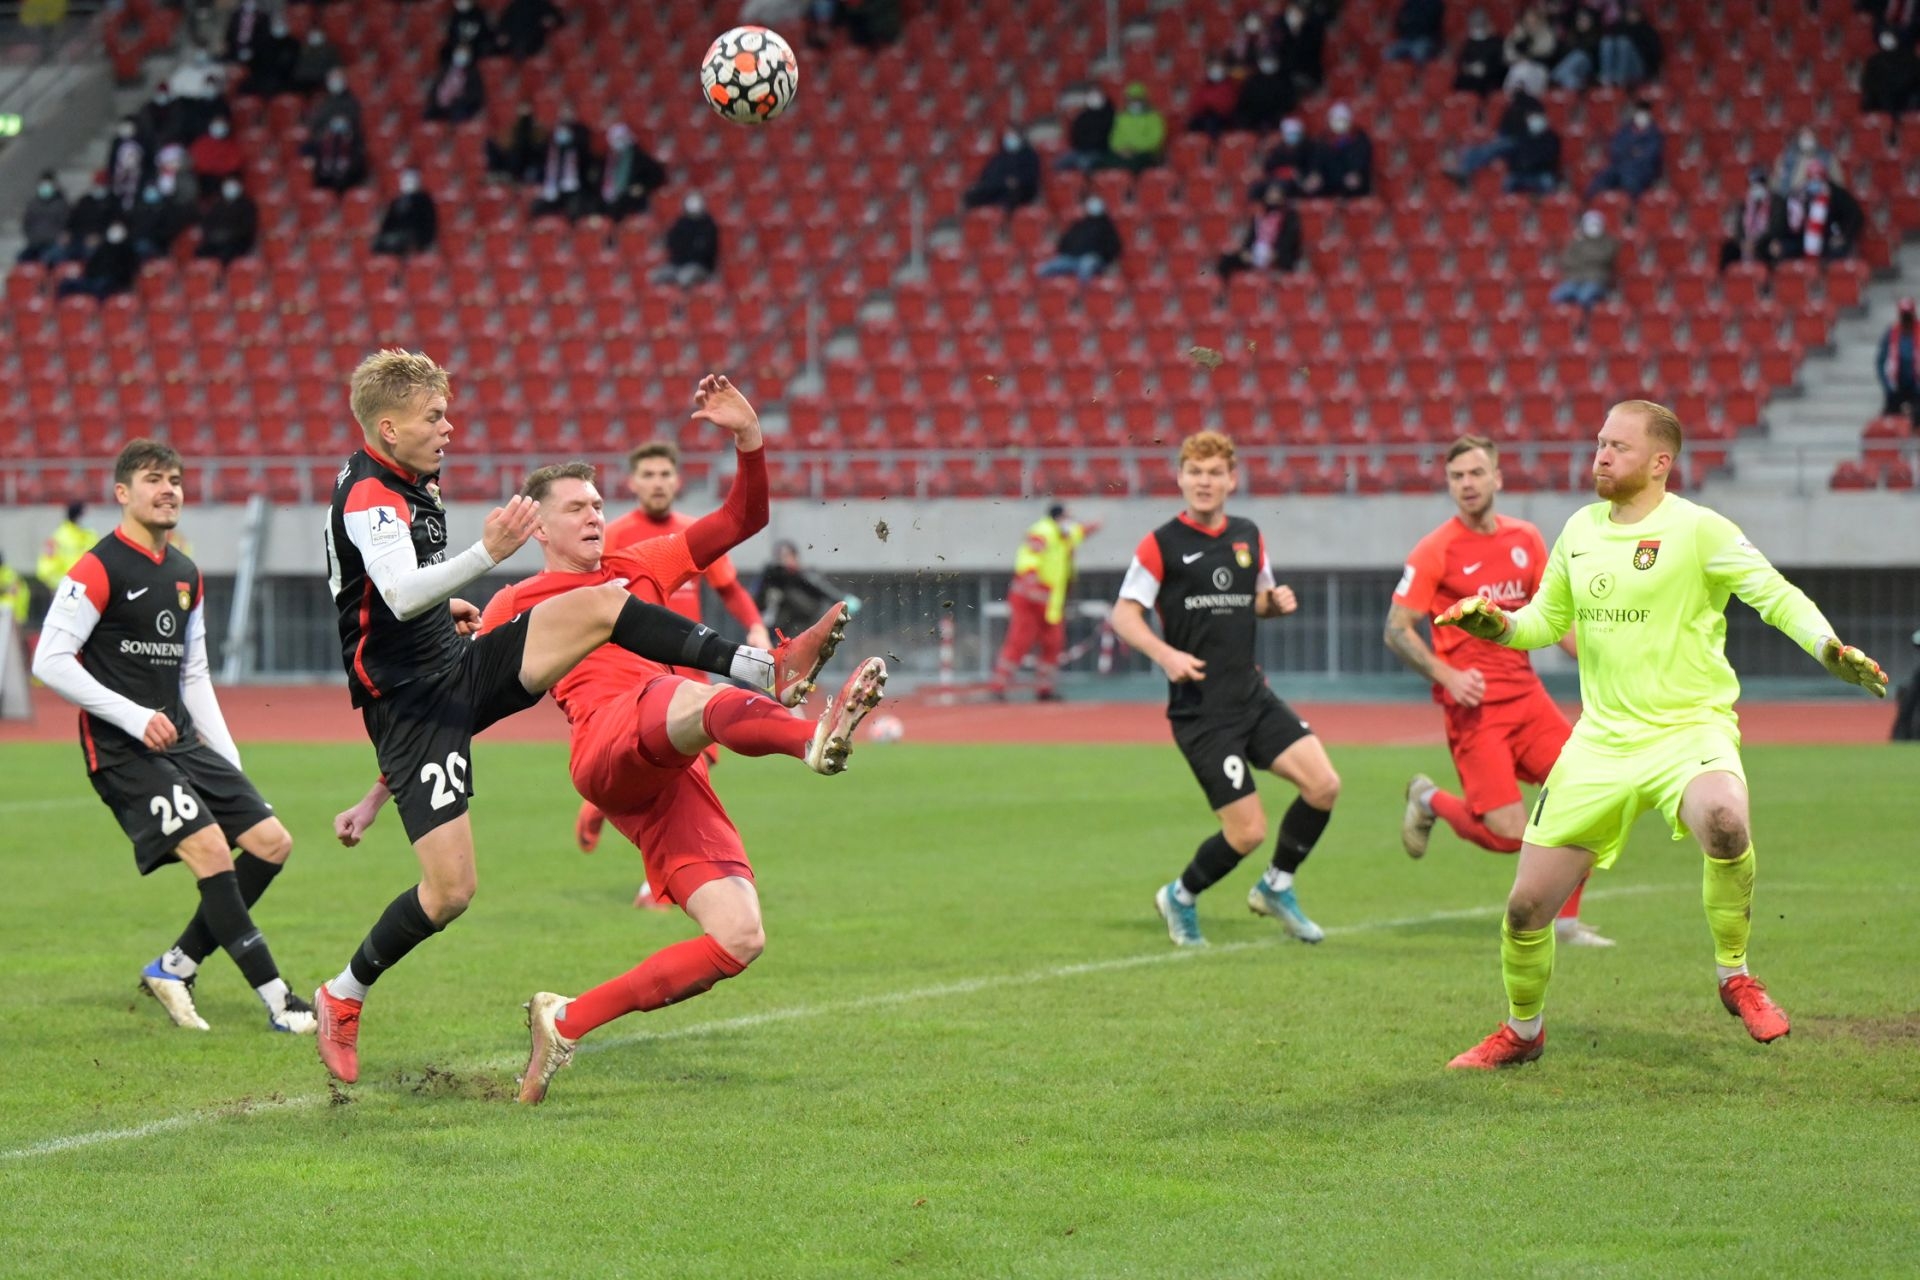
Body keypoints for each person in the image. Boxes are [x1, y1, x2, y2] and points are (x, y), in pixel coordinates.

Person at [308, 351, 834, 1085]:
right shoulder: (381, 499)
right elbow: (394, 594)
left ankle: (766, 674)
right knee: (451, 892)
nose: (449, 428)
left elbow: (741, 518)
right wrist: (483, 556)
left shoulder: (427, 484)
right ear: (389, 428)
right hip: (417, 705)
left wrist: (748, 438)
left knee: (604, 605)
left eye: (598, 506)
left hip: (480, 678)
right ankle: (343, 993)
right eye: (435, 417)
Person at [1437, 400, 1889, 1069]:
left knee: (1725, 820)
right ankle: (1523, 1033)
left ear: (1659, 462)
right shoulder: (1580, 529)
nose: (1600, 455)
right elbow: (1544, 621)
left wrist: (1827, 647)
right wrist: (1499, 626)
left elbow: (1776, 595)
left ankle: (1734, 974)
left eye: (1617, 446)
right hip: (1600, 743)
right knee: (1526, 909)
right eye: (1599, 442)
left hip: (1688, 730)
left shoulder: (1700, 529)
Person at [30, 440, 314, 1035]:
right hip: (122, 749)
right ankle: (280, 1001)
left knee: (271, 843)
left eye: (176, 480)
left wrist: (228, 756)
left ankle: (174, 967)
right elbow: (50, 661)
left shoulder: (186, 574)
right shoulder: (98, 567)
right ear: (122, 493)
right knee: (211, 851)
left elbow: (193, 674)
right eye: (154, 479)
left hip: (181, 740)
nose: (168, 490)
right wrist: (133, 717)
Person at [1112, 431, 1341, 949]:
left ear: (1232, 479)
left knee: (1324, 785)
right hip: (1202, 712)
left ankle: (1276, 886)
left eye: (1214, 473)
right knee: (1247, 832)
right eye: (1195, 472)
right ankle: (1180, 896)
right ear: (1180, 478)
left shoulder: (1248, 535)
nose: (1204, 481)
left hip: (1252, 697)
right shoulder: (1161, 544)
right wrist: (1166, 655)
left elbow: (1255, 599)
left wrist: (1273, 604)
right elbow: (1124, 616)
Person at [1385, 436, 1610, 947]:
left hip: (1528, 699)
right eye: (1457, 476)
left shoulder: (1525, 538)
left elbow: (1555, 618)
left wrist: (1604, 661)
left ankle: (1566, 923)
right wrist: (1447, 676)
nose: (1467, 484)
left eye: (1476, 473)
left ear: (1497, 478)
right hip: (1475, 708)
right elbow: (1396, 630)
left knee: (1590, 796)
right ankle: (1428, 799)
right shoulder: (1436, 549)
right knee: (1508, 833)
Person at [583, 438, 776, 896]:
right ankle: (673, 879)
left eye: (664, 474)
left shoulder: (692, 534)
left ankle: (606, 807)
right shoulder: (614, 537)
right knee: (682, 773)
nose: (657, 482)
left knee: (683, 769)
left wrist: (755, 626)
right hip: (636, 674)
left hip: (690, 669)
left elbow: (729, 589)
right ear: (632, 483)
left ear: (677, 481)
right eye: (648, 475)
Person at [989, 502, 1099, 701]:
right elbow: (1028, 559)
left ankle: (1044, 689)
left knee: (1053, 644)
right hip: (1030, 599)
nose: (1071, 522)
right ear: (1057, 517)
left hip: (1051, 603)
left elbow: (1079, 532)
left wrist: (1093, 526)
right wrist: (1032, 584)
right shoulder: (1042, 532)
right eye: (1067, 518)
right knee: (1019, 641)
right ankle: (999, 686)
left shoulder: (1065, 535)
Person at [757, 539, 857, 641]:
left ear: (795, 557)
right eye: (780, 558)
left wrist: (842, 599)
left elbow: (823, 590)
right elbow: (758, 604)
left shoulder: (805, 576)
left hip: (806, 631)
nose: (784, 562)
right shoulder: (773, 580)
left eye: (787, 556)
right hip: (780, 635)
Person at [1215, 181, 1302, 292]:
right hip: (1255, 254)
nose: (1273, 196)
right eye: (1271, 193)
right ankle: (1224, 291)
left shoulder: (1289, 216)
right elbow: (1251, 236)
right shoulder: (1259, 215)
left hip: (1277, 255)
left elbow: (1289, 239)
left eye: (1276, 193)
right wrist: (1246, 251)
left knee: (1285, 260)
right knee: (1227, 259)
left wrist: (1276, 253)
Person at [1771, 163, 1865, 262]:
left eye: (1819, 179)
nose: (1815, 183)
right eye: (1812, 179)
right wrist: (1777, 239)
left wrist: (1843, 236)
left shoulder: (1837, 194)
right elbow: (1787, 221)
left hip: (1828, 240)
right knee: (1779, 249)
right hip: (1801, 240)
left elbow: (1855, 216)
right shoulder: (1798, 196)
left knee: (1837, 251)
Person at [1584, 100, 1663, 200]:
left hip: (1642, 170)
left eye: (1644, 112)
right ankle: (1592, 204)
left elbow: (1650, 155)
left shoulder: (1654, 133)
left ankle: (1629, 208)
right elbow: (1615, 149)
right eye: (1639, 111)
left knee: (1630, 182)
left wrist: (1629, 152)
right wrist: (1632, 152)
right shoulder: (1625, 130)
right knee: (1601, 180)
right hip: (1620, 166)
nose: (1641, 115)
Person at [1034, 196, 1122, 283]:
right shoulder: (1080, 225)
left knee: (1086, 266)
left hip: (1092, 258)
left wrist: (1103, 258)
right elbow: (1065, 241)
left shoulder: (1107, 228)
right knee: (1044, 269)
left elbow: (1113, 246)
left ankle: (1083, 291)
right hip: (1072, 258)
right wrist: (1068, 251)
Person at [594, 123, 666, 221]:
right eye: (614, 139)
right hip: (605, 200)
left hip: (628, 201)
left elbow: (657, 175)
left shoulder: (639, 157)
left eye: (620, 139)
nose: (617, 142)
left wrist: (643, 186)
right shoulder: (606, 158)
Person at [961, 126, 1042, 213]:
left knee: (1010, 196)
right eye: (1008, 136)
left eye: (1012, 136)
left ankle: (1004, 219)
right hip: (997, 187)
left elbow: (1031, 175)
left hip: (1019, 190)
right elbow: (988, 172)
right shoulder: (1001, 155)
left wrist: (1018, 181)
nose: (1009, 139)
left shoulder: (1028, 155)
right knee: (972, 195)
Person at [1550, 209, 1617, 309]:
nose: (1593, 227)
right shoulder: (1576, 241)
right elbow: (1566, 260)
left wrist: (1583, 257)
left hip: (1596, 280)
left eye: (1596, 224)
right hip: (1575, 279)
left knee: (1584, 297)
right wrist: (1590, 259)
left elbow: (1604, 258)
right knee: (1555, 296)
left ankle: (1590, 317)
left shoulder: (1608, 242)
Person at [56, 221, 140, 299]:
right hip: (93, 279)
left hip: (112, 282)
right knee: (67, 284)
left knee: (101, 285)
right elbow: (91, 266)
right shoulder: (103, 248)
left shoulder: (128, 250)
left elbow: (128, 272)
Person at [1718, 168, 1779, 273]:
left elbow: (1775, 227)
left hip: (1763, 242)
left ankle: (1767, 281)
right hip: (1746, 242)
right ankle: (1725, 280)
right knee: (1728, 248)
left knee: (1773, 249)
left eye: (1760, 183)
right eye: (1754, 183)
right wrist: (1743, 242)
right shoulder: (1744, 204)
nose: (1757, 187)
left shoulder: (1775, 202)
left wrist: (1756, 242)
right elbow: (1739, 228)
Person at [652, 193, 719, 286]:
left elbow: (706, 252)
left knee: (684, 277)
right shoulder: (681, 223)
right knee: (657, 276)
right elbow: (672, 243)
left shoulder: (708, 226)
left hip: (701, 266)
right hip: (678, 264)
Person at [37, 500, 98, 597]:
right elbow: (46, 567)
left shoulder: (91, 536)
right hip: (65, 590)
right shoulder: (59, 537)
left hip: (88, 589)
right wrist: (59, 584)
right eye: (85, 514)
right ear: (78, 516)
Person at [1312, 101, 1372, 198]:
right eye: (1336, 120)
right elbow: (1317, 162)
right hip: (1328, 183)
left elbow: (1362, 161)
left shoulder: (1359, 138)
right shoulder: (1323, 140)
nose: (1339, 123)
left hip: (1353, 184)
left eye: (1343, 120)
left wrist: (1356, 173)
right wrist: (1316, 174)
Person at [1103, 82, 1166, 175]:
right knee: (1104, 164)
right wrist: (1121, 149)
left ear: (1144, 100)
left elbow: (1155, 140)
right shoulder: (1121, 117)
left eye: (1137, 99)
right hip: (1121, 153)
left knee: (1131, 166)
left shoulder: (1154, 117)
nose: (1134, 102)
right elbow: (1114, 139)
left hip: (1144, 154)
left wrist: (1134, 149)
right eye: (1131, 99)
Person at [372, 169, 439, 256]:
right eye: (405, 180)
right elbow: (388, 221)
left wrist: (424, 240)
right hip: (397, 233)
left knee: (398, 241)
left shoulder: (424, 199)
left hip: (414, 235)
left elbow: (428, 221)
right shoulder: (397, 200)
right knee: (379, 243)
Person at [195, 179, 257, 264]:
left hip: (236, 241)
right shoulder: (218, 204)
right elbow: (208, 222)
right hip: (215, 239)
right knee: (201, 252)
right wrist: (213, 234)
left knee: (225, 254)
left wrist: (228, 235)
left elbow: (247, 228)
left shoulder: (247, 205)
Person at [1878, 297, 1920, 424]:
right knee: (1889, 417)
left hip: (1917, 386)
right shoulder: (1891, 333)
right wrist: (1887, 385)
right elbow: (1881, 362)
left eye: (1908, 316)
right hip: (1896, 386)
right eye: (1904, 316)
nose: (1906, 320)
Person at [1502, 108, 1561, 194]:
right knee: (1509, 181)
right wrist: (1519, 166)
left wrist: (1532, 163)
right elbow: (1514, 156)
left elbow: (1550, 158)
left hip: (1540, 173)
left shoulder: (1551, 138)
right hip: (1521, 173)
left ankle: (1548, 202)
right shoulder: (1522, 136)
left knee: (1547, 182)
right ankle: (1508, 201)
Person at [1055, 88, 1115, 173]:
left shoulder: (1109, 117)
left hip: (1099, 151)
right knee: (1058, 164)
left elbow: (1107, 138)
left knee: (1083, 164)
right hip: (1081, 150)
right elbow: (1075, 136)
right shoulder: (1082, 117)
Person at [1862, 29, 1920, 114]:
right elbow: (1869, 87)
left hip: (1907, 104)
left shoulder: (1910, 59)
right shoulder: (1873, 62)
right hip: (1883, 106)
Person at [1186, 59, 1241, 147]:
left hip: (1223, 118)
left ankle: (1214, 147)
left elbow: (1228, 105)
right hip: (1205, 116)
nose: (1216, 71)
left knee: (1211, 123)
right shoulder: (1204, 86)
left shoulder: (1229, 85)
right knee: (1192, 123)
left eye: (1218, 67)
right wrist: (1206, 106)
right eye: (1213, 68)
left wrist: (1211, 104)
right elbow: (1196, 105)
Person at [425, 44, 485, 124]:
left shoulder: (473, 73)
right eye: (459, 52)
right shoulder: (445, 68)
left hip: (459, 105)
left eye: (464, 53)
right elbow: (436, 86)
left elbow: (475, 96)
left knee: (458, 115)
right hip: (440, 103)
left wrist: (456, 99)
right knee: (428, 114)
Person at [1453, 9, 1507, 97]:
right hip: (1469, 78)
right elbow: (1461, 62)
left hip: (1489, 80)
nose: (1477, 28)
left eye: (1480, 24)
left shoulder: (1497, 42)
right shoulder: (1468, 43)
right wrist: (1469, 69)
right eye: (1475, 24)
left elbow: (1501, 65)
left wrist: (1485, 70)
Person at [18, 172, 68, 265]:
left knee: (49, 258)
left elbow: (66, 224)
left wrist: (59, 237)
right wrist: (32, 238)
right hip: (35, 243)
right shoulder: (33, 204)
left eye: (48, 185)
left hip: (53, 243)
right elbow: (27, 223)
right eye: (43, 185)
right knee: (21, 258)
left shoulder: (61, 204)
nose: (45, 188)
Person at [309, 115, 368, 193]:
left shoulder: (354, 150)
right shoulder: (320, 147)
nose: (337, 139)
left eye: (342, 135)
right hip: (324, 185)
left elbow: (358, 173)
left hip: (347, 186)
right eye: (333, 135)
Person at [498, 0, 565, 60]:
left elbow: (559, 19)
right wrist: (503, 34)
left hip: (536, 41)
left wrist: (551, 20)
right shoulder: (516, 5)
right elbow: (504, 22)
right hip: (515, 39)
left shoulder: (543, 4)